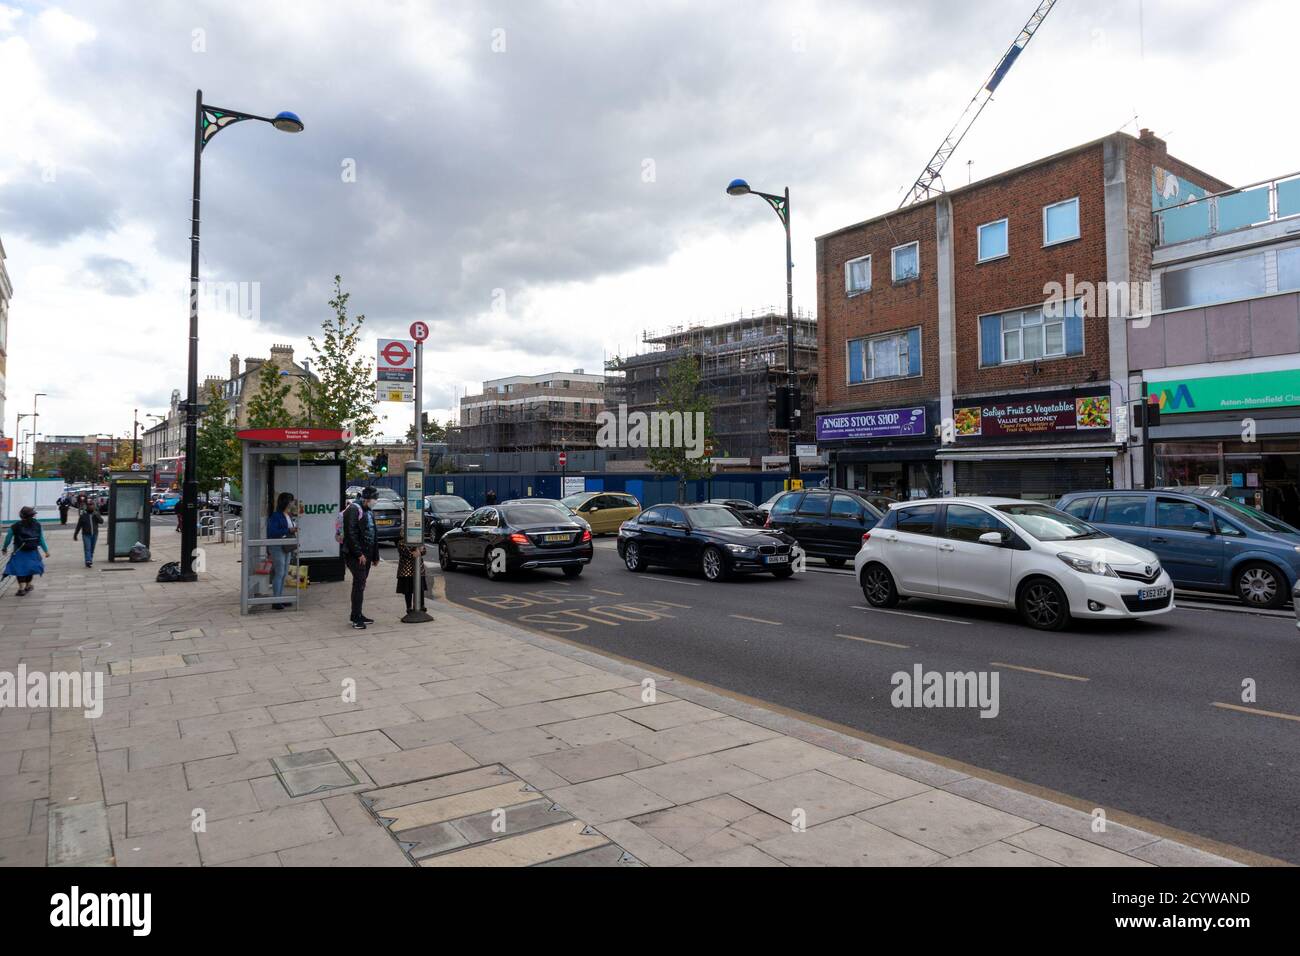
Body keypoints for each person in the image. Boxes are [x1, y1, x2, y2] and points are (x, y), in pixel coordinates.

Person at [341, 486, 381, 629]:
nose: (375, 502)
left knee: (361, 584)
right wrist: (359, 554)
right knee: (359, 584)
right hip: (356, 555)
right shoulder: (353, 509)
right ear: (366, 498)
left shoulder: (369, 510)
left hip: (368, 555)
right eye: (374, 499)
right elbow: (350, 533)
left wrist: (375, 555)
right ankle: (356, 617)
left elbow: (373, 533)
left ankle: (357, 613)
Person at [2, 506, 51, 596]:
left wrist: (4, 548)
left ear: (21, 515)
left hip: (19, 551)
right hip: (33, 551)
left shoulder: (15, 526)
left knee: (20, 569)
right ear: (32, 515)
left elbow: (8, 538)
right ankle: (28, 585)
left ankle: (21, 588)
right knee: (30, 569)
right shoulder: (37, 525)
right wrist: (46, 551)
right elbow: (41, 539)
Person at [266, 492, 298, 610]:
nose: (293, 503)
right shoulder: (276, 516)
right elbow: (272, 532)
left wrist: (292, 529)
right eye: (291, 501)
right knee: (279, 573)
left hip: (286, 546)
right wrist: (289, 530)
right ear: (286, 502)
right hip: (277, 546)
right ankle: (276, 600)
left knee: (284, 573)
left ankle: (279, 598)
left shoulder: (288, 515)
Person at [395, 534, 427, 614]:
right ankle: (409, 607)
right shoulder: (401, 542)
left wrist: (419, 551)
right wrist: (416, 551)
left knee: (420, 588)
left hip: (419, 568)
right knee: (408, 589)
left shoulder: (418, 540)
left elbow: (424, 550)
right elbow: (408, 553)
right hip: (406, 570)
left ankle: (421, 606)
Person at [72, 499, 104, 567]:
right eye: (89, 505)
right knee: (87, 548)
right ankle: (88, 560)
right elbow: (79, 525)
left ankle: (90, 560)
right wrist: (75, 534)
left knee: (92, 549)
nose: (90, 506)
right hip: (86, 535)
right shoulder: (83, 515)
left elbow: (101, 521)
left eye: (92, 505)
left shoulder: (96, 514)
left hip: (94, 534)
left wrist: (96, 515)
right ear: (87, 507)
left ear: (94, 506)